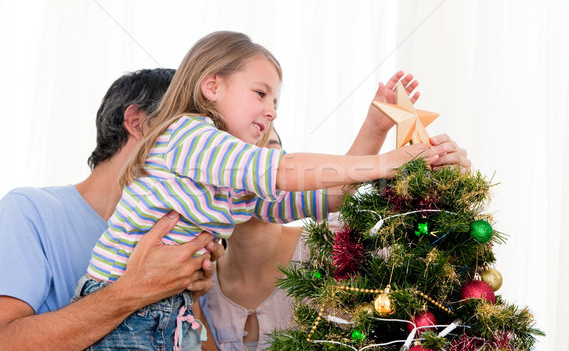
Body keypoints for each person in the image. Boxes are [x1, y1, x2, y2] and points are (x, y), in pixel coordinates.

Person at [76, 31, 439, 351]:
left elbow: (330, 194)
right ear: (212, 86)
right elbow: (281, 170)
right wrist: (388, 162)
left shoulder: (232, 180)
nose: (272, 111)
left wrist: (375, 128)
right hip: (126, 313)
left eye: (275, 102)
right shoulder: (188, 135)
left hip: (170, 313)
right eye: (261, 94)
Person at [197, 72, 471, 351]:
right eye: (245, 161)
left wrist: (448, 184)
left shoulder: (335, 244)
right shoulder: (195, 284)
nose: (259, 173)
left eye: (271, 159)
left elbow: (425, 253)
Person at [0, 68, 224, 350]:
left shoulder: (184, 232)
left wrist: (189, 300)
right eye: (197, 134)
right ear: (138, 123)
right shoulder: (29, 211)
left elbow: (198, 343)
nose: (211, 153)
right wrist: (135, 289)